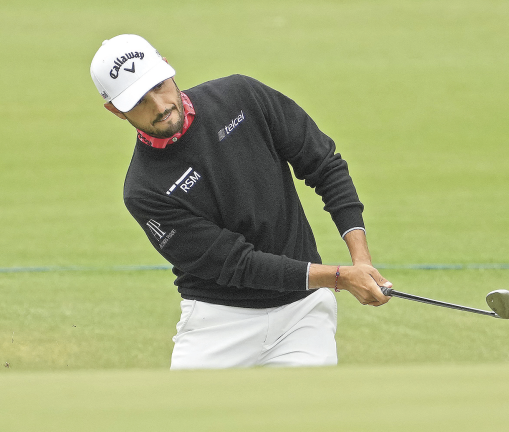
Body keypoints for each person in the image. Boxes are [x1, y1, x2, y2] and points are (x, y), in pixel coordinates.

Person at [89, 34, 391, 369]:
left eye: (159, 86)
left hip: (302, 314)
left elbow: (324, 165)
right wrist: (339, 277)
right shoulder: (144, 191)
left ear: (168, 70)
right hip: (217, 324)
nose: (160, 106)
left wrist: (359, 261)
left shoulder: (241, 97)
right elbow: (239, 264)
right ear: (115, 110)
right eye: (138, 101)